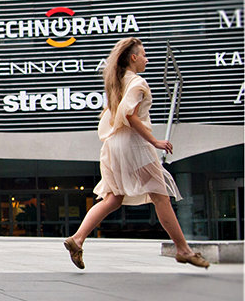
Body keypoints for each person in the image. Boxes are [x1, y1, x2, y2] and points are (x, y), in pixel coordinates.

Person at [63, 37, 208, 270]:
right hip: (134, 145)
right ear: (133, 58)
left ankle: (77, 239)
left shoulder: (117, 82)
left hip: (113, 145)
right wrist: (154, 140)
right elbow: (130, 115)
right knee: (160, 196)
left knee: (113, 197)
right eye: (143, 54)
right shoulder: (137, 82)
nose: (146, 59)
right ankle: (183, 250)